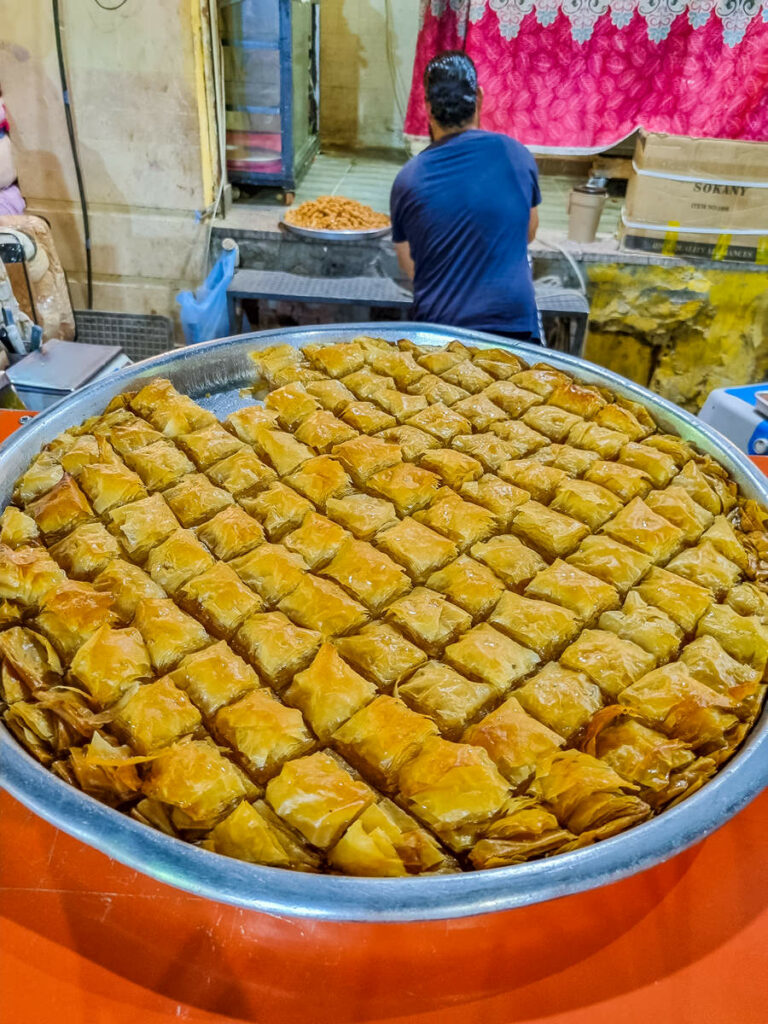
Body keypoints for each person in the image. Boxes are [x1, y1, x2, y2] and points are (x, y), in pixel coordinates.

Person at [390, 50, 542, 343]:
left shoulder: (409, 177)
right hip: (515, 332)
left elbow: (410, 265)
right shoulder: (517, 155)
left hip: (441, 338)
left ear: (428, 108)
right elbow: (529, 232)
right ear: (480, 98)